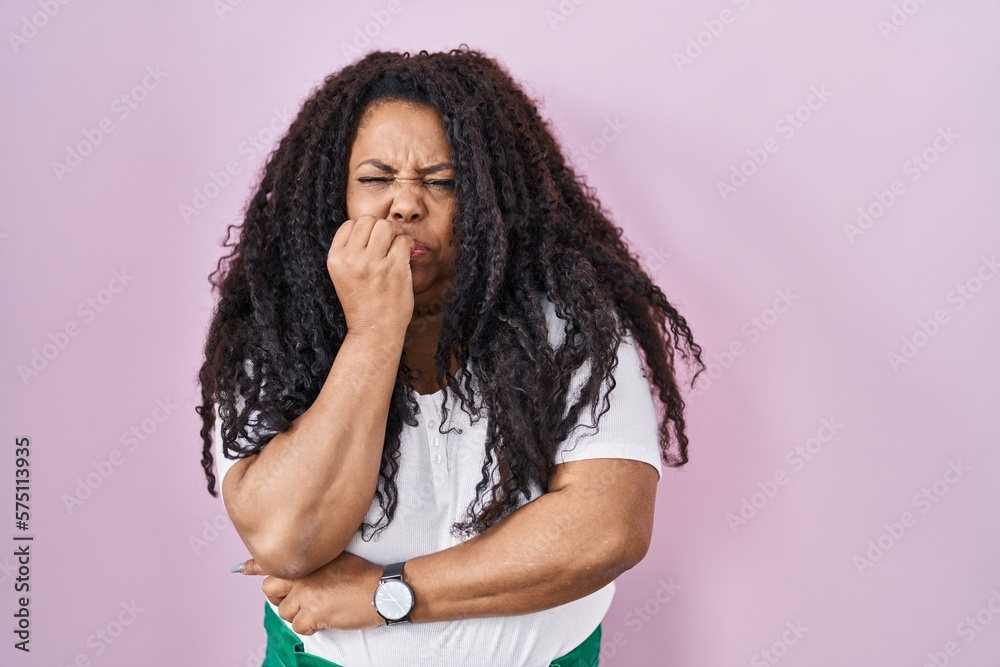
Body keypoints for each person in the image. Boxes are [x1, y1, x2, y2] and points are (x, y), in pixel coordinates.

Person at [196, 46, 705, 667]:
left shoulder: (570, 324)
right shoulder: (277, 327)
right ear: (333, 193)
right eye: (376, 179)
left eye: (443, 182)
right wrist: (373, 333)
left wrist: (387, 593)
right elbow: (285, 539)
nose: (406, 205)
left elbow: (605, 530)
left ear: (495, 201)